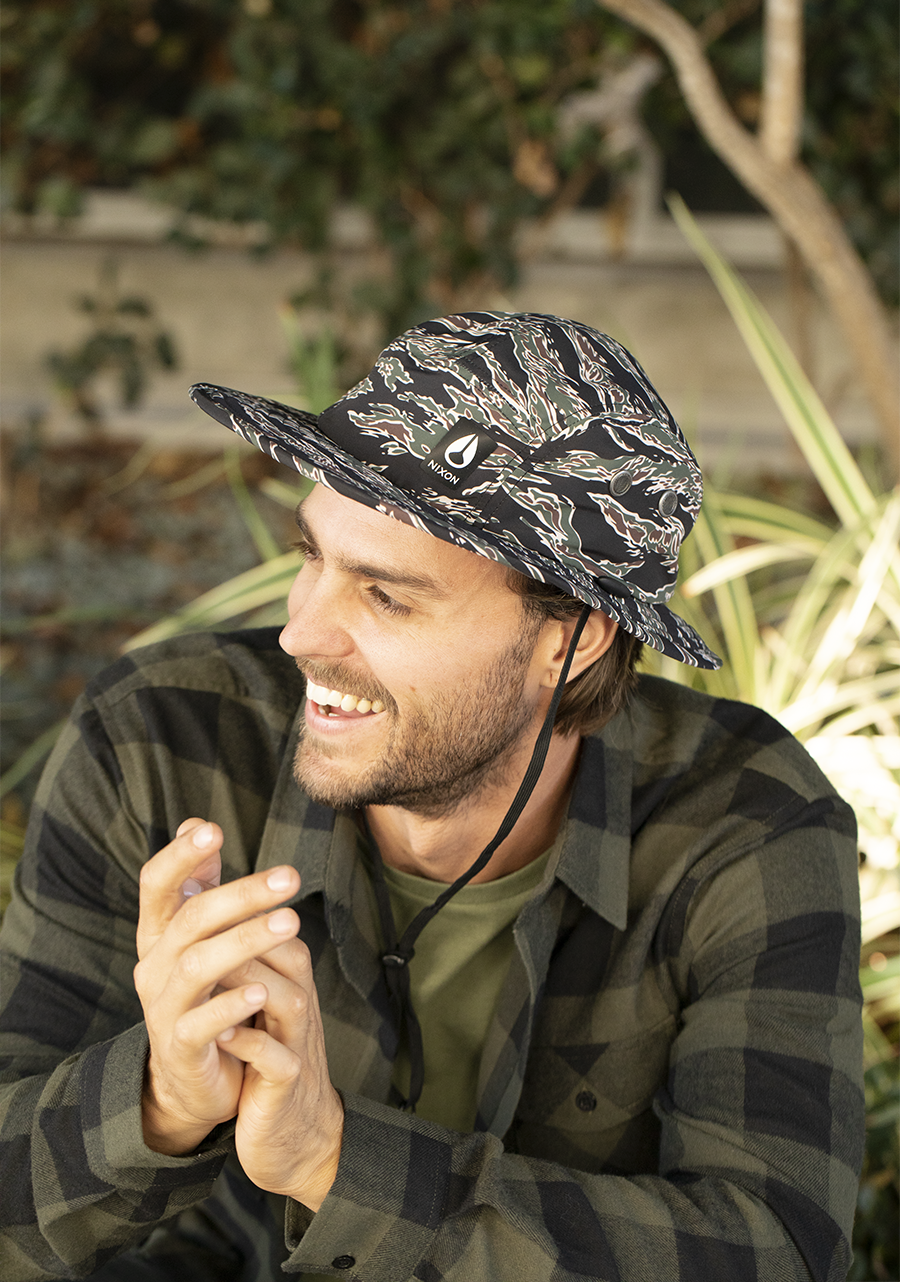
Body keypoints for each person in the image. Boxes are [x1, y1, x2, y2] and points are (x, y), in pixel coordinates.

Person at [0, 312, 862, 1282]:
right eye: (312, 556)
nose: (301, 634)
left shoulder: (746, 820)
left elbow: (781, 1251)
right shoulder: (162, 739)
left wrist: (331, 1160)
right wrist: (158, 1105)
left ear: (570, 640)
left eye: (387, 596)